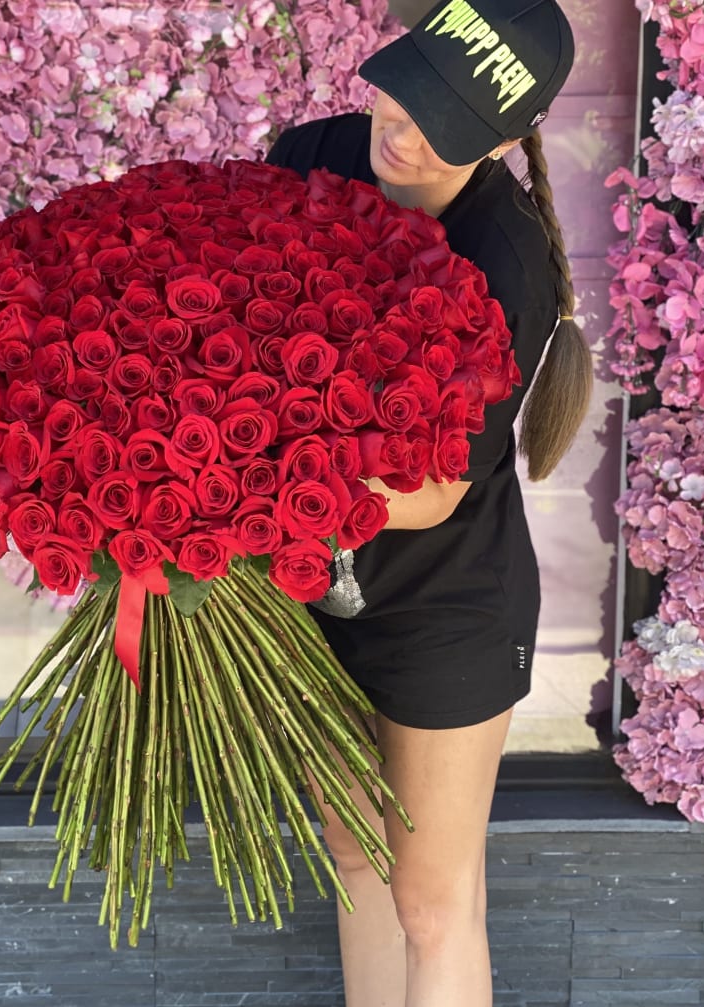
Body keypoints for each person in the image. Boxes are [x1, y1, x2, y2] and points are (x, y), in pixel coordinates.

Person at [264, 1, 592, 1005]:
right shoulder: (309, 159)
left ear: (497, 141)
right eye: (402, 92)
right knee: (354, 856)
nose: (400, 132)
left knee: (431, 904)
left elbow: (428, 491)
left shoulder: (503, 260)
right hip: (308, 586)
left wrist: (244, 488)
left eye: (441, 124)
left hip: (444, 605)